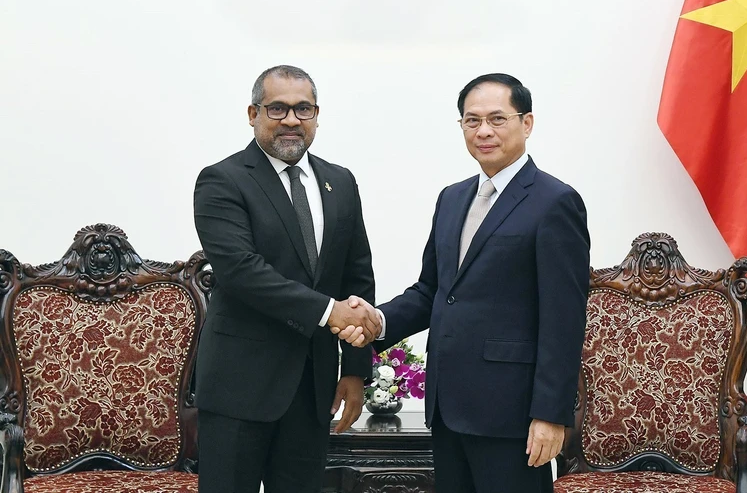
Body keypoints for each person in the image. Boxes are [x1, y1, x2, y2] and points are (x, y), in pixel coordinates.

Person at [339, 73, 590, 493]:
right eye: (471, 121)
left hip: (512, 415)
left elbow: (564, 320)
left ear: (526, 123)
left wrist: (551, 414)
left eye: (497, 118)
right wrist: (377, 321)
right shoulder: (452, 198)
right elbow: (432, 291)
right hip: (448, 405)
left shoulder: (555, 202)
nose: (484, 131)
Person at [193, 65, 381, 493]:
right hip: (240, 386)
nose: (291, 120)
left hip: (313, 387)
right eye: (277, 108)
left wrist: (355, 369)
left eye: (303, 109)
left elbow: (357, 274)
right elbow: (241, 270)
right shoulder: (223, 180)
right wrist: (328, 311)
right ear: (252, 113)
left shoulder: (340, 181)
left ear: (317, 114)